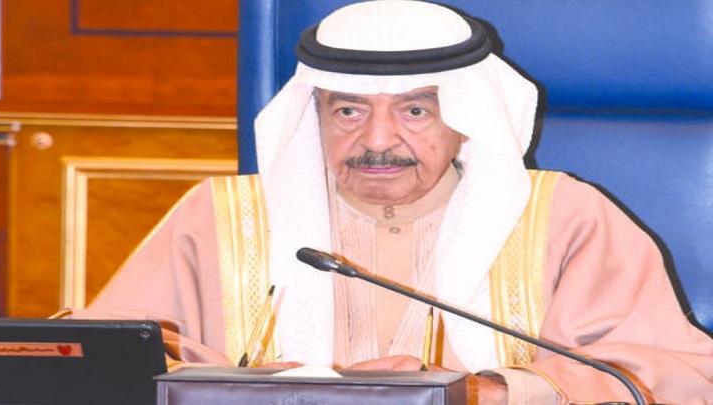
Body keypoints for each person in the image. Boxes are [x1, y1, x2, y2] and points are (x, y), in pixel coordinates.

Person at [68, 1, 713, 403]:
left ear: (465, 120)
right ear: (313, 115)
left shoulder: (563, 217)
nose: (377, 141)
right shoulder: (220, 216)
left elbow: (680, 377)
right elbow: (102, 361)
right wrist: (259, 391)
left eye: (415, 111)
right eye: (347, 111)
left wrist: (486, 393)